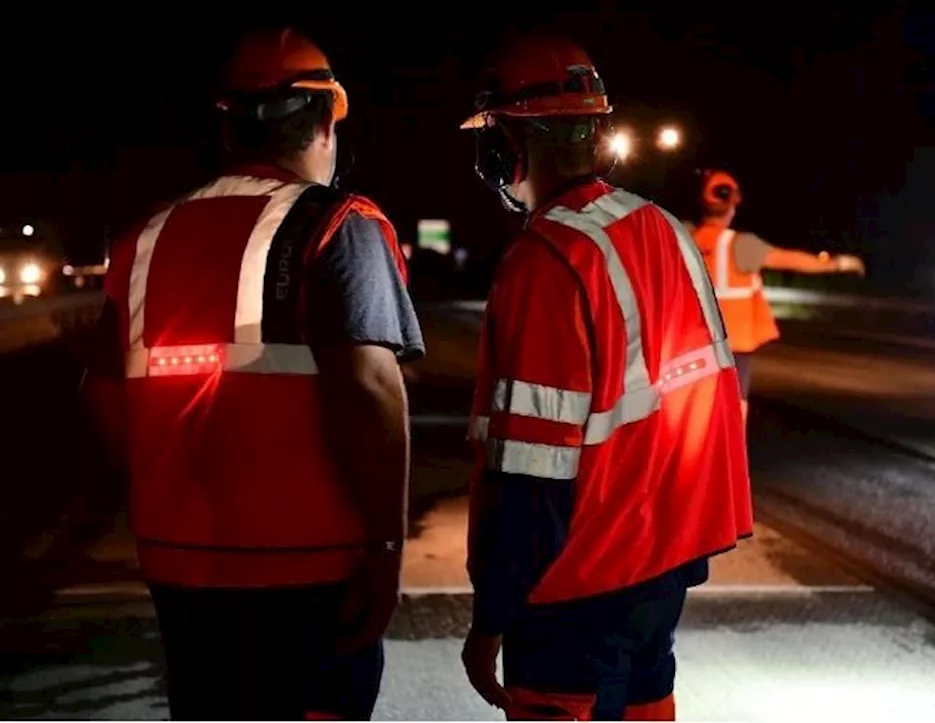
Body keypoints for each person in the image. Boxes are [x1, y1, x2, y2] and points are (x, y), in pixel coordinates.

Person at [79, 27, 424, 720]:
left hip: (180, 570)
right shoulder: (341, 224)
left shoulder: (144, 237)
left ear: (229, 126)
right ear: (327, 122)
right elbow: (371, 387)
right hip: (313, 572)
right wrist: (386, 545)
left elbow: (102, 397)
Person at [457, 33, 754, 721]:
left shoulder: (546, 262)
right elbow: (705, 400)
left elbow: (532, 472)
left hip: (575, 589)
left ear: (509, 144)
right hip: (661, 571)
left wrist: (492, 617)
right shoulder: (664, 231)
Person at [685, 169, 866, 427]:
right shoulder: (740, 245)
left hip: (690, 343)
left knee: (692, 412)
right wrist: (838, 264)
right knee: (733, 414)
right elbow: (789, 260)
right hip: (733, 345)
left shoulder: (683, 239)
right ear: (732, 205)